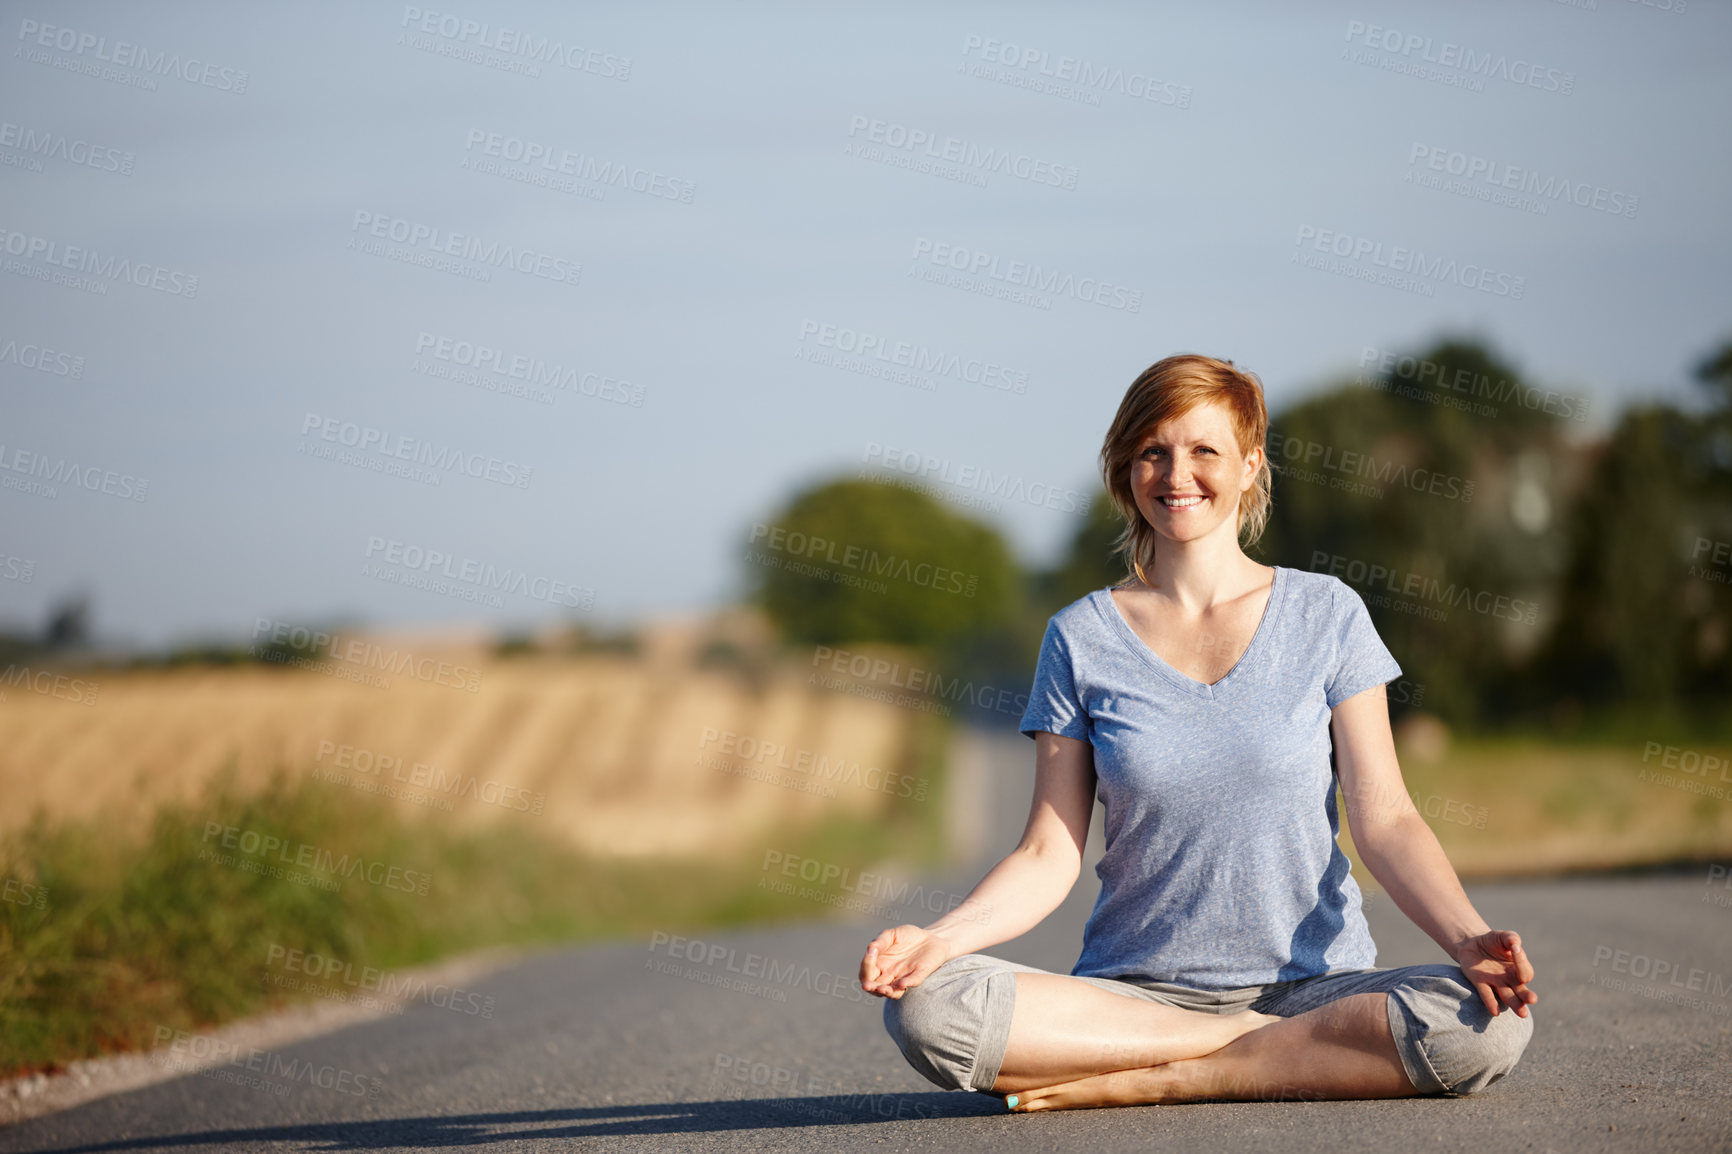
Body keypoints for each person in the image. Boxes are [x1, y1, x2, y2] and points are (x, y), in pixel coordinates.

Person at [857, 354, 1536, 1112]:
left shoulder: (1328, 614)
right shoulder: (1079, 637)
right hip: (1134, 1005)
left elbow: (1386, 818)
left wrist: (1467, 937)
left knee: (1485, 1025)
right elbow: (1048, 853)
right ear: (1126, 470)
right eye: (1153, 451)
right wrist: (941, 941)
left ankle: (1191, 1075)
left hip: (1318, 990)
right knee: (928, 1009)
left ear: (1249, 466)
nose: (1177, 473)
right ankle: (1238, 1049)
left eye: (1203, 450)